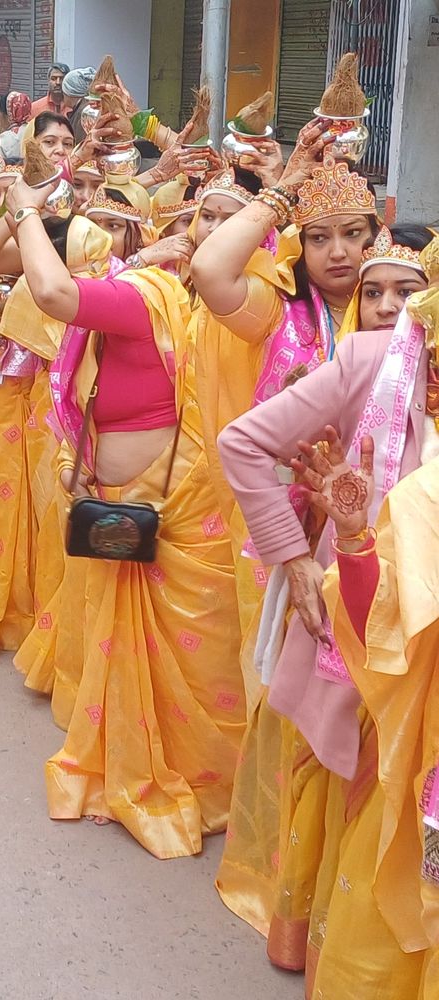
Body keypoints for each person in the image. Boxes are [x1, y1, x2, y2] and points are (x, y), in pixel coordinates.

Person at [3, 174, 245, 860]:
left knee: (200, 657)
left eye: (236, 222)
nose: (217, 231)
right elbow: (51, 295)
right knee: (129, 647)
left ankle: (207, 774)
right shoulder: (151, 297)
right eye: (209, 218)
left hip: (191, 509)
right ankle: (138, 754)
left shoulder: (241, 317)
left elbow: (53, 293)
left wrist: (23, 209)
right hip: (125, 505)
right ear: (184, 230)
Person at [215, 234, 433, 991]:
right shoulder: (373, 362)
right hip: (359, 626)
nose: (390, 309)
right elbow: (242, 444)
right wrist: (296, 555)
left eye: (407, 294)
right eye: (381, 294)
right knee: (348, 796)